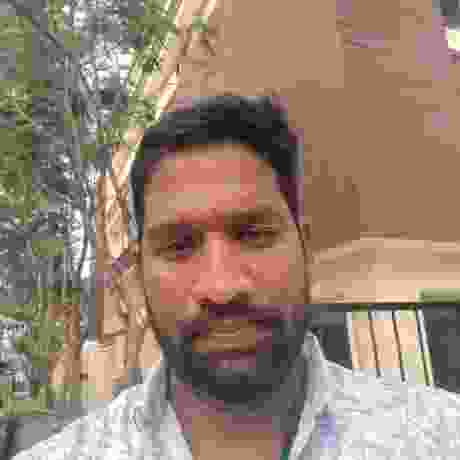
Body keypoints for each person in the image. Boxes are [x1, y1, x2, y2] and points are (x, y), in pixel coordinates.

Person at [12, 93, 460, 460]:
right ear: (140, 275)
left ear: (306, 248)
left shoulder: (441, 438)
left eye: (254, 234)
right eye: (179, 246)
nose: (222, 287)